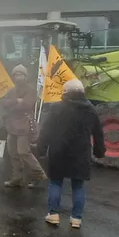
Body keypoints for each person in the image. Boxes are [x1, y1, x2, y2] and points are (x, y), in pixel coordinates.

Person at [36, 79, 105, 228]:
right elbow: (98, 133)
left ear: (65, 92)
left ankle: (53, 214)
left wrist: (41, 148)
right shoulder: (90, 109)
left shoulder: (56, 108)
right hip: (80, 153)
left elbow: (46, 130)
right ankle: (76, 219)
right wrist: (100, 151)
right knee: (78, 186)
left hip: (58, 151)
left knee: (55, 182)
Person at [3, 64, 46, 189]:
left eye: (21, 74)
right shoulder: (12, 90)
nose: (18, 77)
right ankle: (17, 177)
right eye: (16, 74)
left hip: (24, 125)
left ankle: (39, 174)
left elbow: (27, 105)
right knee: (12, 152)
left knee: (23, 152)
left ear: (25, 76)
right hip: (12, 125)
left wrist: (14, 103)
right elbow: (4, 103)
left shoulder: (30, 90)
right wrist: (17, 101)